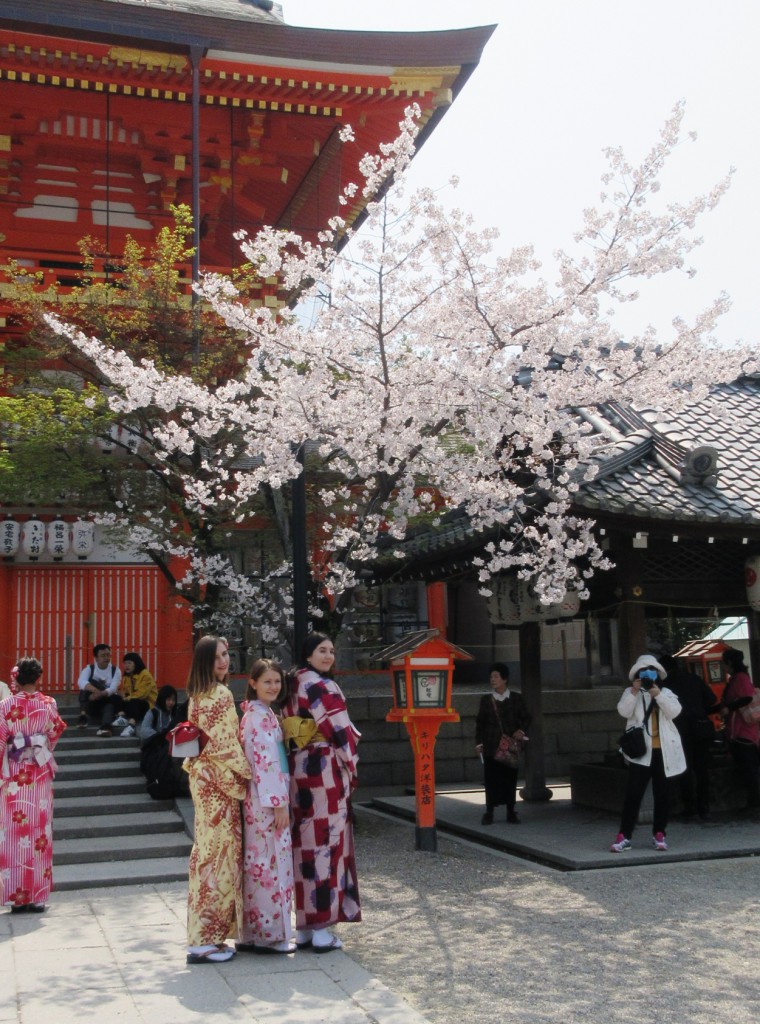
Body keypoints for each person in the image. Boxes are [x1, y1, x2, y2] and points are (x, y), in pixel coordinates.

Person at [282, 632, 361, 952]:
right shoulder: (321, 685)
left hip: (297, 772)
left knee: (302, 848)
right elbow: (343, 734)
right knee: (326, 847)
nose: (328, 656)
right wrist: (352, 767)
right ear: (308, 654)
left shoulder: (291, 684)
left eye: (331, 651)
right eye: (321, 650)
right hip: (324, 772)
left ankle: (303, 926)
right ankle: (322, 928)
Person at [184, 635, 251, 965]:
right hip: (219, 784)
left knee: (206, 854)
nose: (224, 662)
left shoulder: (197, 696)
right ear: (205, 662)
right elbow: (227, 747)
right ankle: (205, 938)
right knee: (220, 858)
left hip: (202, 780)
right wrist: (251, 773)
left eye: (226, 655)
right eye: (217, 657)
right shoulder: (221, 695)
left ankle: (203, 934)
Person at [237, 659, 295, 954]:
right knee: (268, 864)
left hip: (262, 799)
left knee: (262, 864)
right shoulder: (258, 718)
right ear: (253, 683)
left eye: (277, 682)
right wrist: (280, 803)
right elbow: (266, 764)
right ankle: (269, 933)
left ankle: (256, 932)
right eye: (267, 681)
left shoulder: (263, 714)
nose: (273, 687)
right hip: (265, 801)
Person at [0, 657, 66, 912]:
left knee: (13, 835)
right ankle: (37, 896)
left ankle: (17, 898)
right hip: (38, 772)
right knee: (39, 833)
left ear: (16, 679)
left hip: (15, 775)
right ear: (39, 678)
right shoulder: (49, 704)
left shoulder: (5, 706)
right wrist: (39, 747)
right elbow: (54, 731)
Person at [610, 654, 686, 853]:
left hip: (664, 752)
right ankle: (624, 835)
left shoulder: (665, 692)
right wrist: (635, 690)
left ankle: (659, 833)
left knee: (663, 795)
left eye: (651, 672)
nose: (647, 675)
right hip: (641, 753)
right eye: (643, 672)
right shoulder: (631, 692)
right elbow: (623, 712)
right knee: (633, 795)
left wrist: (657, 694)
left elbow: (675, 712)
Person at [660, 654, 718, 822]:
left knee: (684, 769)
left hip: (679, 731)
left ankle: (689, 806)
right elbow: (711, 700)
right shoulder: (694, 678)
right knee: (702, 770)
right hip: (700, 728)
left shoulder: (665, 685)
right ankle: (704, 807)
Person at [475, 662, 531, 825]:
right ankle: (489, 811)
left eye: (496, 676)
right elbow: (480, 722)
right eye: (491, 676)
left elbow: (527, 718)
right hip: (491, 746)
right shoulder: (486, 700)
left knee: (510, 779)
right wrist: (479, 742)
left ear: (504, 679)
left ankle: (510, 811)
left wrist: (521, 731)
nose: (492, 679)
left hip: (509, 747)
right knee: (490, 779)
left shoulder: (515, 698)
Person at [719, 647, 760, 813]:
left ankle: (755, 801)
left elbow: (747, 697)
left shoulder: (739, 678)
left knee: (748, 769)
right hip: (741, 731)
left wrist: (728, 709)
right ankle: (753, 800)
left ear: (729, 663)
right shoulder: (739, 677)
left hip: (744, 731)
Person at [138, 685, 189, 800]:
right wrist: (163, 734)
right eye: (168, 699)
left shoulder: (176, 714)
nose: (171, 703)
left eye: (173, 700)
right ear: (162, 699)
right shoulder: (153, 713)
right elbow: (144, 731)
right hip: (155, 751)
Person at [76, 643, 122, 736]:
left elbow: (113, 688)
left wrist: (100, 693)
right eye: (103, 656)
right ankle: (83, 716)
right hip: (92, 702)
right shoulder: (90, 668)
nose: (106, 658)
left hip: (107, 699)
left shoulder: (115, 670)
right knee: (86, 686)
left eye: (108, 655)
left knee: (109, 705)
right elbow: (81, 681)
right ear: (96, 658)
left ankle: (106, 727)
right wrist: (95, 691)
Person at [113, 652, 157, 737]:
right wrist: (122, 695)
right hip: (133, 703)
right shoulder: (127, 677)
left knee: (134, 701)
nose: (126, 666)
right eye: (125, 663)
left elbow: (141, 695)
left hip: (148, 705)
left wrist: (127, 698)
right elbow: (126, 692)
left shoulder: (145, 675)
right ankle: (122, 717)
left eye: (129, 663)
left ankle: (131, 725)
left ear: (136, 663)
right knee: (115, 697)